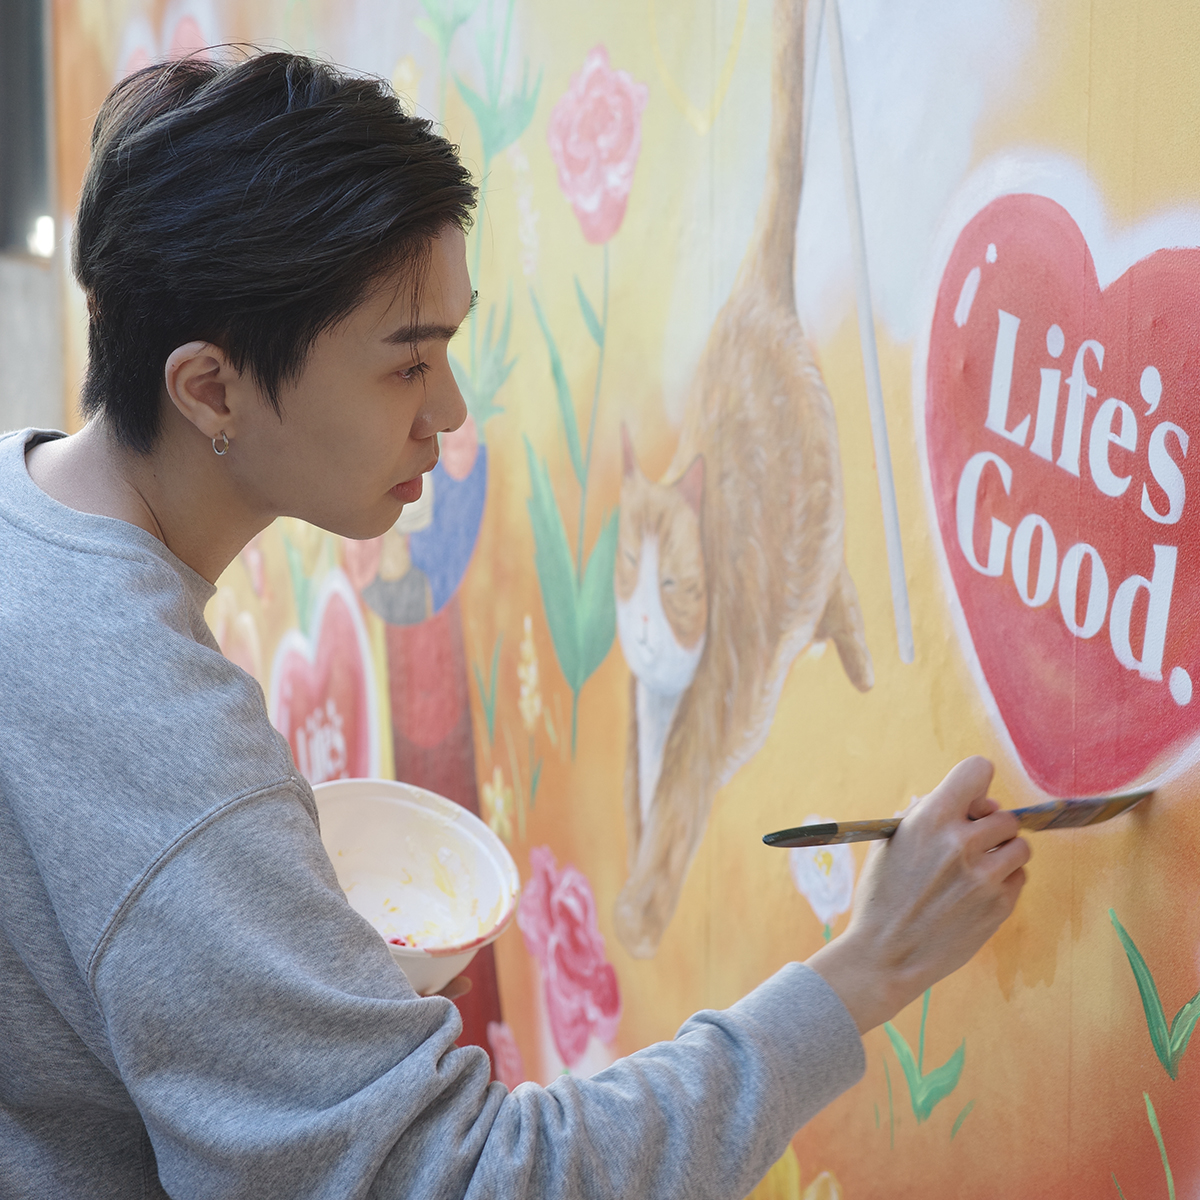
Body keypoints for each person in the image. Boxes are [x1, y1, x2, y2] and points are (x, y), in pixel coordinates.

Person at [0, 52, 1030, 1199]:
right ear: (210, 389)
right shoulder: (162, 743)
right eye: (408, 365)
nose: (447, 411)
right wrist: (865, 971)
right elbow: (458, 1179)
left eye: (450, 349)